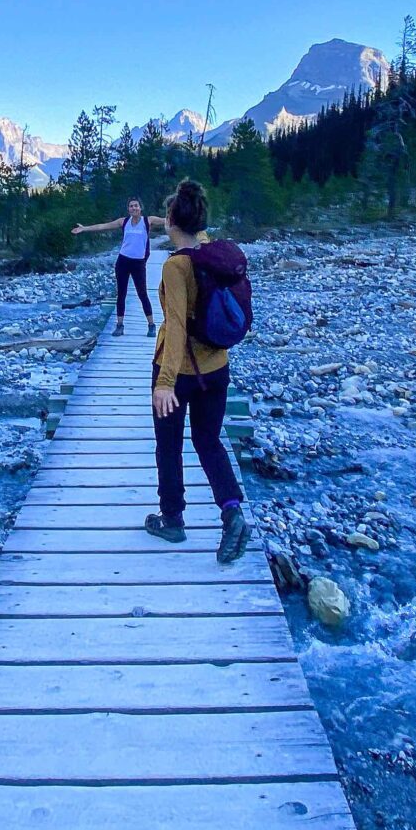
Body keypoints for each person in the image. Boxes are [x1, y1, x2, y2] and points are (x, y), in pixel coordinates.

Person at [145, 179, 249, 563]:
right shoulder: (211, 251)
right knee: (209, 443)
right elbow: (189, 226)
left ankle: (172, 519)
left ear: (172, 220)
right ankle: (232, 512)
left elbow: (175, 328)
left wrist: (164, 383)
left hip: (179, 374)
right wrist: (174, 214)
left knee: (169, 447)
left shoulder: (176, 267)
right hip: (217, 369)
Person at [71, 199, 161, 336]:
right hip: (123, 261)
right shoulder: (123, 222)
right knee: (121, 294)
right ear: (128, 209)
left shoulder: (148, 221)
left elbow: (169, 221)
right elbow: (103, 226)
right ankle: (119, 325)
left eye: (136, 206)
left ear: (140, 208)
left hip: (138, 263)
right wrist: (85, 228)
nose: (134, 208)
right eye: (131, 206)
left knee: (142, 294)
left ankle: (151, 324)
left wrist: (189, 219)